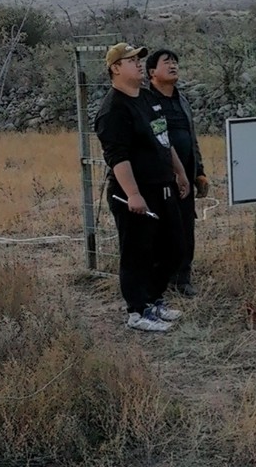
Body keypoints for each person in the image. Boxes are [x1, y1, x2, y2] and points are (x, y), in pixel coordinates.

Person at [94, 42, 189, 332]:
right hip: (135, 194)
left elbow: (163, 138)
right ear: (115, 68)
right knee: (137, 252)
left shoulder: (148, 98)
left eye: (139, 59)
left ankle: (154, 299)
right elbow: (117, 157)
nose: (138, 64)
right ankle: (137, 311)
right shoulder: (113, 110)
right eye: (131, 60)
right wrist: (133, 194)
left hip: (164, 187)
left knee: (173, 247)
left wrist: (180, 172)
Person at [146, 48, 209, 297]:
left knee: (185, 228)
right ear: (152, 72)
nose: (173, 65)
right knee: (159, 230)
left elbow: (191, 140)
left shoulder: (182, 100)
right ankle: (158, 280)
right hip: (158, 178)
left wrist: (199, 172)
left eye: (175, 61)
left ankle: (183, 279)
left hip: (185, 179)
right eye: (166, 62)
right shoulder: (146, 101)